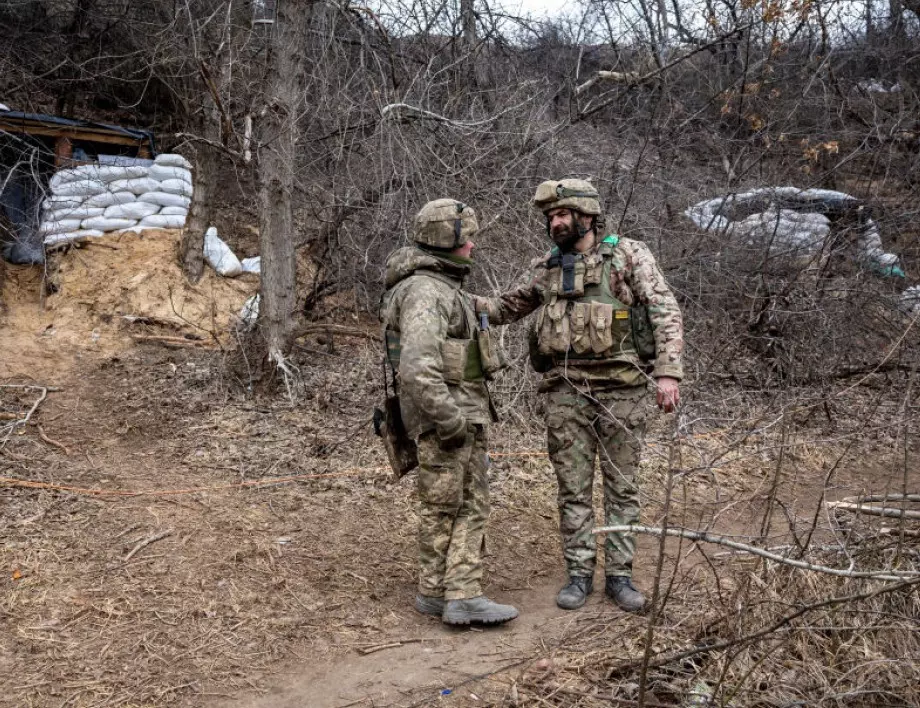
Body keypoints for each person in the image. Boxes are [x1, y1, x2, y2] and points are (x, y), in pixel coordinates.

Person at [474, 179, 684, 613]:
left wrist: (668, 373)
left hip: (623, 391)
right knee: (572, 489)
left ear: (587, 215)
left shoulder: (628, 255)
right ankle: (580, 574)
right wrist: (447, 297)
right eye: (550, 217)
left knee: (622, 487)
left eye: (562, 214)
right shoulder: (548, 266)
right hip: (566, 393)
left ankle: (620, 577)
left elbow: (665, 309)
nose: (555, 222)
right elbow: (504, 307)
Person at [379, 198, 519, 626]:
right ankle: (463, 594)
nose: (474, 245)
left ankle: (435, 591)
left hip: (449, 413)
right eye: (469, 237)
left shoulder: (439, 286)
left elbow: (491, 310)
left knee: (443, 503)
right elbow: (418, 367)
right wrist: (450, 420)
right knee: (465, 504)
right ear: (448, 240)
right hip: (450, 417)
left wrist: (538, 286)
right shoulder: (427, 292)